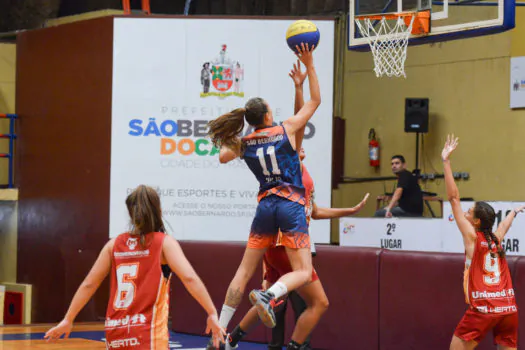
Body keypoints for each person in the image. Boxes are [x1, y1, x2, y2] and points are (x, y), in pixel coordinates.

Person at [205, 43, 320, 348]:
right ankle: (272, 294)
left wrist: (238, 134)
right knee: (304, 272)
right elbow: (315, 102)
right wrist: (308, 66)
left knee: (243, 272)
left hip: (264, 206)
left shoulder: (246, 142)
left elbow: (222, 157)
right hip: (289, 205)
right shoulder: (284, 130)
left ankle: (221, 333)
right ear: (269, 114)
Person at [223, 146, 369, 350]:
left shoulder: (303, 173)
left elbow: (314, 211)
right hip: (288, 245)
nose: (301, 145)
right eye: (295, 142)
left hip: (278, 245)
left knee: (274, 300)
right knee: (319, 303)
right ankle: (293, 345)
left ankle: (230, 341)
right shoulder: (289, 169)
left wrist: (349, 210)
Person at [44, 185, 225, 349]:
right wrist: (211, 312)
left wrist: (68, 319)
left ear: (130, 213)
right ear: (157, 210)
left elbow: (89, 284)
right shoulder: (164, 244)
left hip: (116, 334)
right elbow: (189, 278)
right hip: (147, 334)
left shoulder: (113, 245)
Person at [442, 135, 521, 350]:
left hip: (484, 309)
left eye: (469, 212)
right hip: (508, 309)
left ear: (476, 222)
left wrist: (446, 162)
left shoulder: (472, 238)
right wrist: (514, 211)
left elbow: (453, 198)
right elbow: (505, 226)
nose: (465, 212)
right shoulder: (495, 239)